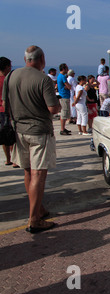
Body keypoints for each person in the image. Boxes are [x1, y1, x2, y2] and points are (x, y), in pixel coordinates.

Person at [2, 45, 61, 233]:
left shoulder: (11, 76)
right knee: (38, 175)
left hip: (19, 130)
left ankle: (38, 209)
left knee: (28, 172)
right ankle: (34, 219)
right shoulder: (43, 80)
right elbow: (53, 109)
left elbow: (5, 104)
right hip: (39, 131)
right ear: (41, 58)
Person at [0, 56, 18, 167]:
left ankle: (8, 159)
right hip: (8, 110)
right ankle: (15, 160)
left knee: (3, 135)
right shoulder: (9, 80)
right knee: (12, 135)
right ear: (7, 67)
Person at [57, 63, 72, 135]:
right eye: (66, 68)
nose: (67, 70)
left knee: (65, 113)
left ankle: (63, 128)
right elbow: (69, 86)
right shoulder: (63, 77)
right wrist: (68, 86)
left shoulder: (60, 76)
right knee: (64, 113)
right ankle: (62, 129)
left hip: (63, 95)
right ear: (63, 69)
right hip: (64, 96)